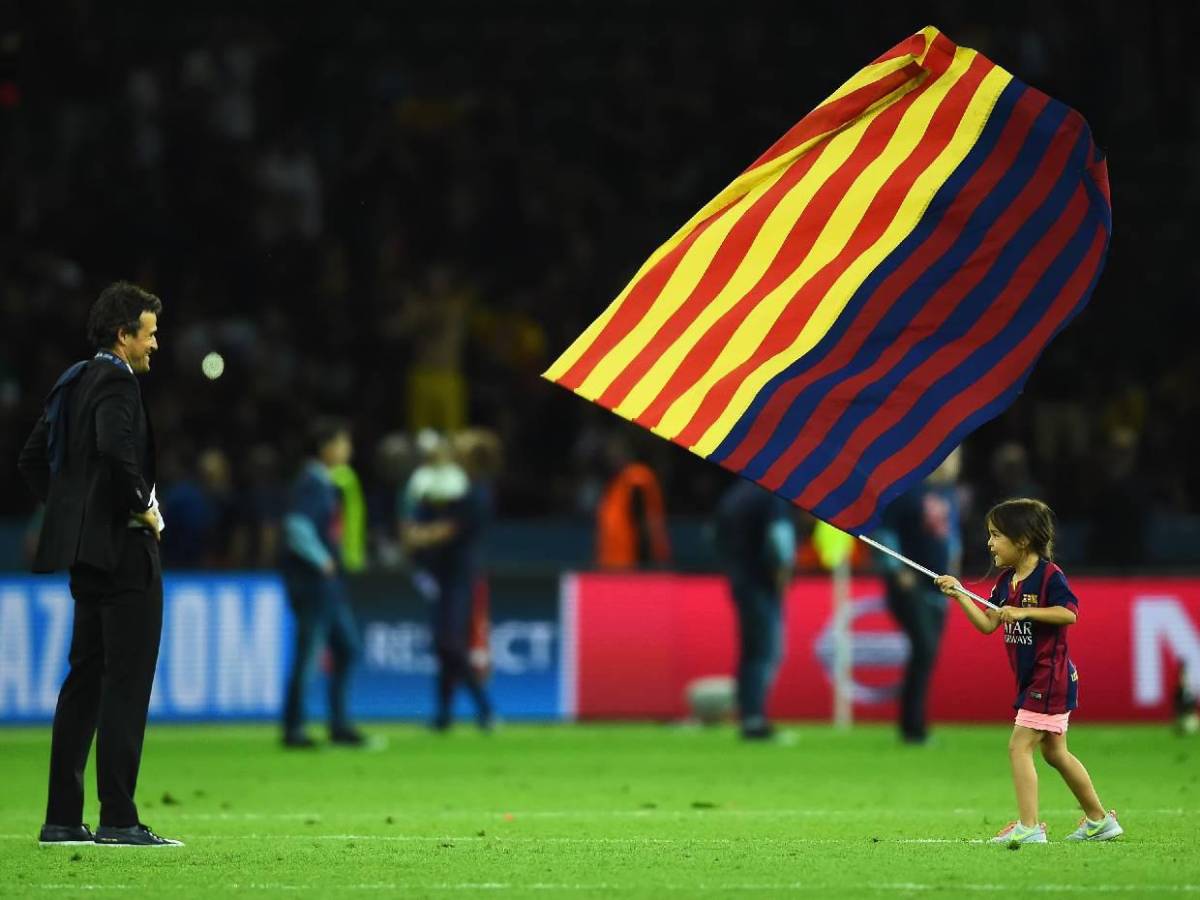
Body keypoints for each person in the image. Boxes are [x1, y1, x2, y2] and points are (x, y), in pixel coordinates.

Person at [17, 281, 181, 847]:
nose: (155, 344)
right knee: (126, 684)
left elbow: (33, 459)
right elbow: (115, 449)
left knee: (83, 682)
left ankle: (62, 819)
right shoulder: (116, 380)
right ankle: (118, 818)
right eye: (150, 333)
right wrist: (144, 508)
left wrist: (76, 519)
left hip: (87, 560)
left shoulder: (73, 379)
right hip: (126, 554)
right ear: (124, 335)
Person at [935, 498, 1124, 845]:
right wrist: (960, 595)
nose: (990, 543)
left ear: (1021, 539)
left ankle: (1030, 826)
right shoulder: (1007, 581)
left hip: (1049, 677)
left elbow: (1069, 614)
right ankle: (1099, 821)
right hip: (1037, 679)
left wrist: (1025, 614)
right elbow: (988, 624)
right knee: (1055, 753)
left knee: (1018, 747)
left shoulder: (1049, 576)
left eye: (996, 535)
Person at [280, 418, 366, 748]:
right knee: (309, 655)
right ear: (326, 447)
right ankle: (294, 728)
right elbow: (296, 527)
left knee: (346, 648)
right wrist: (322, 559)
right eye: (343, 443)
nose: (348, 450)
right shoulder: (312, 482)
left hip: (327, 587)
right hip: (313, 584)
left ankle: (338, 724)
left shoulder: (323, 481)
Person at [400, 430, 495, 731]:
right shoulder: (448, 486)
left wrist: (419, 536)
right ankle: (444, 714)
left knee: (449, 642)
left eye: (462, 448)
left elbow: (449, 529)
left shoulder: (477, 492)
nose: (455, 450)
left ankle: (482, 706)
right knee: (444, 645)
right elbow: (418, 515)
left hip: (461, 576)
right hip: (440, 574)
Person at [874, 447, 962, 744]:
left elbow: (950, 540)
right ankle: (913, 727)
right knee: (924, 649)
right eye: (951, 456)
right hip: (912, 587)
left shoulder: (948, 495)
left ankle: (914, 725)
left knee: (927, 654)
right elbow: (884, 533)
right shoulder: (908, 492)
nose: (955, 464)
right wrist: (897, 571)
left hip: (940, 588)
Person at [713, 478, 796, 740]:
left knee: (750, 653)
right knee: (766, 652)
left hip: (740, 580)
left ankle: (748, 714)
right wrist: (782, 573)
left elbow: (717, 538)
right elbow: (779, 538)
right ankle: (755, 719)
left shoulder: (733, 495)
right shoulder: (772, 495)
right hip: (762, 582)